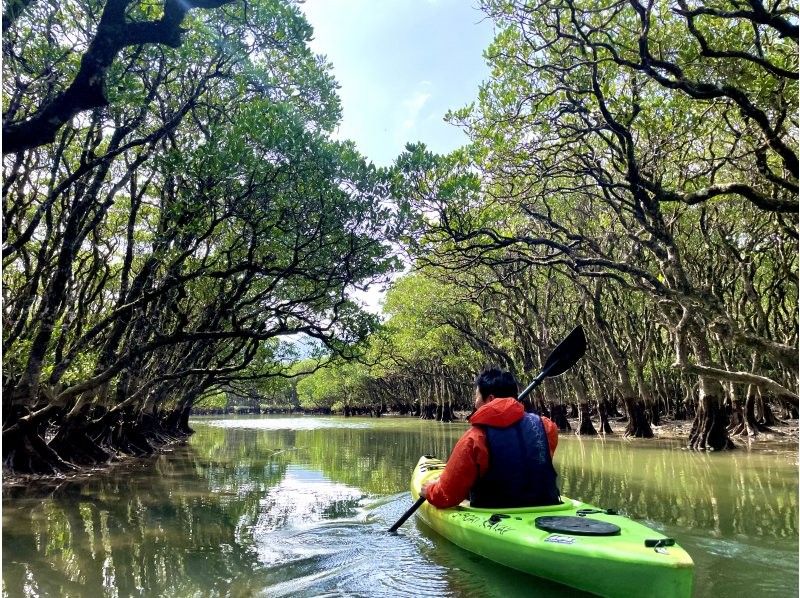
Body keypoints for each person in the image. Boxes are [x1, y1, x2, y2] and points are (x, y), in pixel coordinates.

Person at [420, 367, 560, 509]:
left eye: (477, 397)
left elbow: (446, 496)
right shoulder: (547, 427)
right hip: (546, 505)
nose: (475, 403)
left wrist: (430, 491)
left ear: (490, 399)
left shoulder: (474, 438)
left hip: (494, 510)